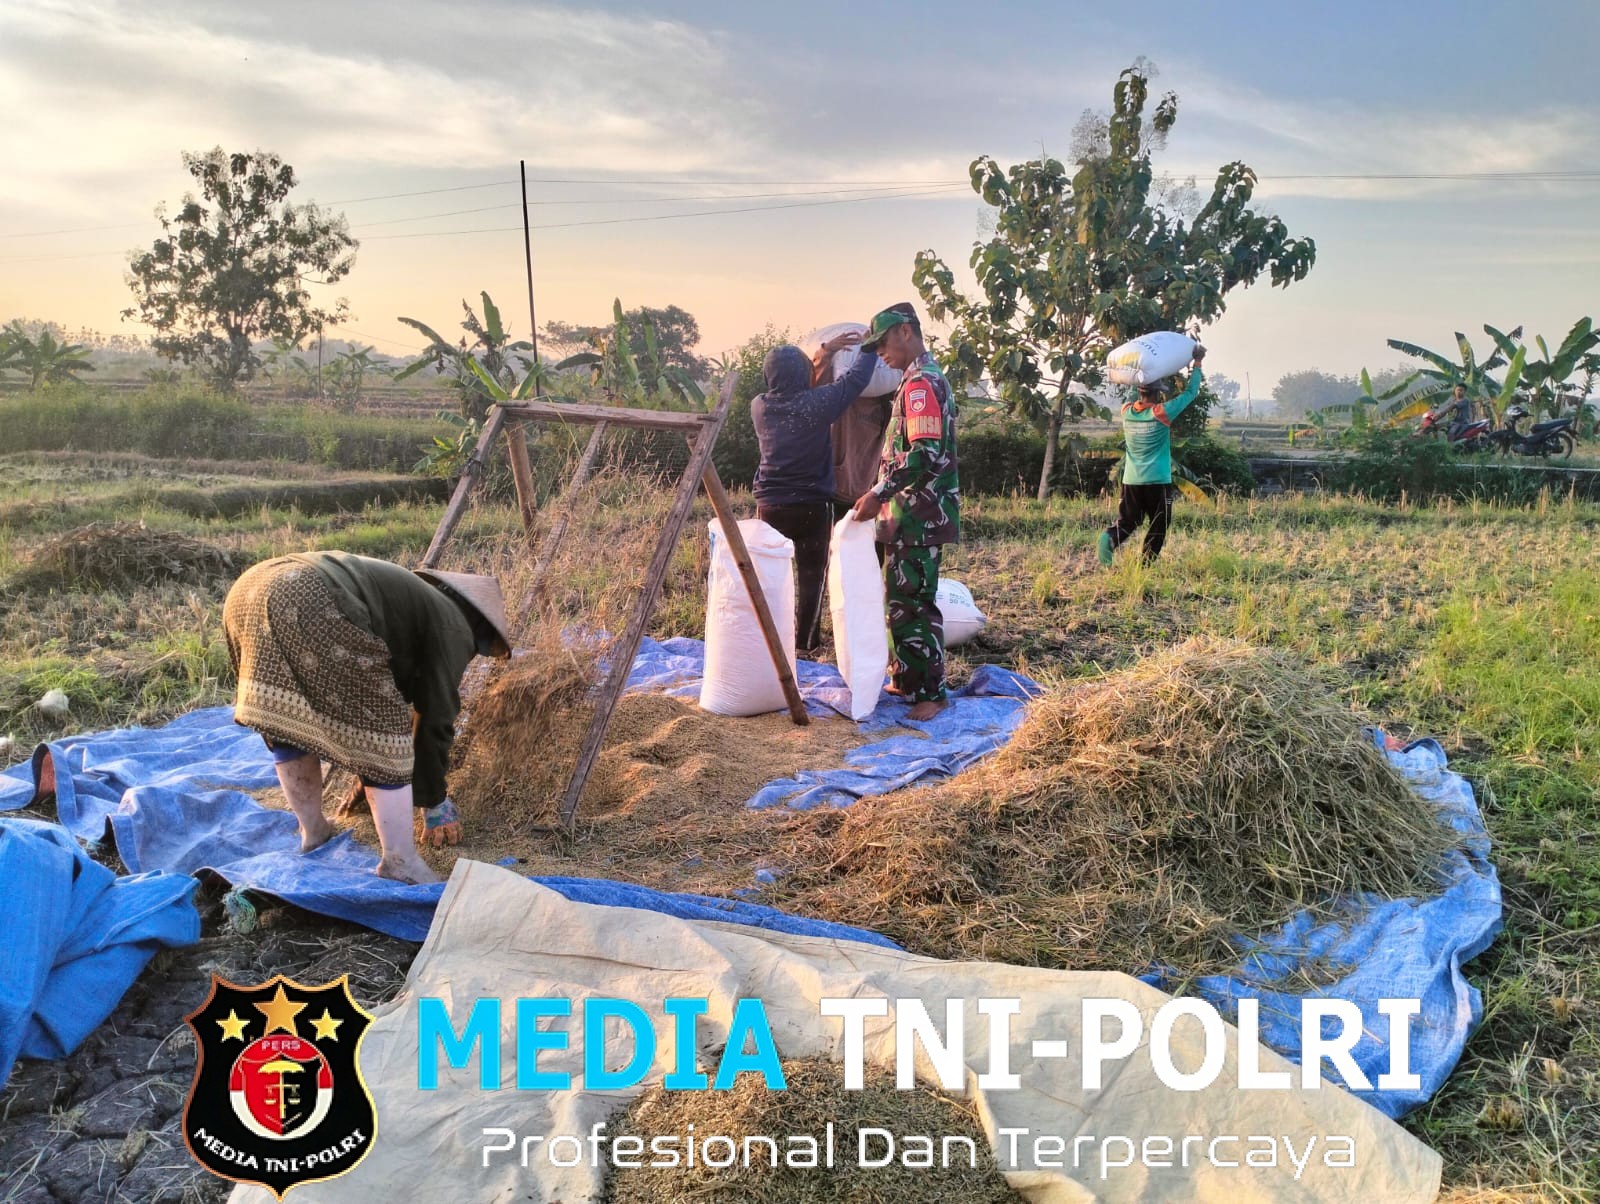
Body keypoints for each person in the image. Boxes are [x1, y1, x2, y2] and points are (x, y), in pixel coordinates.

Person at [222, 551, 512, 884]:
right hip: (310, 594)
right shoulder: (454, 623)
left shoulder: (413, 600)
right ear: (483, 627)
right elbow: (435, 716)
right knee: (384, 732)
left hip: (251, 587)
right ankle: (400, 861)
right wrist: (433, 800)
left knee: (291, 717)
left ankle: (313, 832)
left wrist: (368, 780)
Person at [850, 303, 961, 721]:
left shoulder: (921, 386)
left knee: (914, 602)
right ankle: (907, 676)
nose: (880, 353)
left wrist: (878, 492)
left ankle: (931, 693)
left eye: (882, 343)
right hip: (908, 516)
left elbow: (924, 454)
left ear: (905, 333)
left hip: (920, 514)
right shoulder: (915, 381)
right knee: (899, 599)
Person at [751, 334, 884, 655]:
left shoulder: (760, 406)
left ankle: (767, 639)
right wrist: (868, 346)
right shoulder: (816, 405)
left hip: (770, 506)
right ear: (803, 376)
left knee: (770, 577)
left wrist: (825, 352)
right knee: (812, 577)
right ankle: (805, 643)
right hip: (812, 507)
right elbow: (855, 381)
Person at [1098, 345, 1206, 566]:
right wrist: (1197, 362)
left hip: (1131, 480)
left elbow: (1129, 390)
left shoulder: (1126, 412)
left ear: (1139, 391)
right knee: (1159, 524)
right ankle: (1145, 565)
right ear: (1158, 393)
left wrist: (1136, 368)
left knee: (1127, 521)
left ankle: (1109, 538)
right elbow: (1190, 393)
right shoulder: (1161, 413)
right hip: (1157, 480)